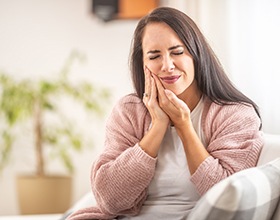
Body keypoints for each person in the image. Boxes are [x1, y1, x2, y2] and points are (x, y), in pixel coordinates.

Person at [67, 6, 264, 220]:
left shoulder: (235, 116)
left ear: (196, 55)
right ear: (142, 64)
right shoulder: (129, 111)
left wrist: (184, 126)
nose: (167, 65)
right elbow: (109, 199)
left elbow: (227, 197)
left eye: (177, 52)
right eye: (154, 56)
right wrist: (157, 127)